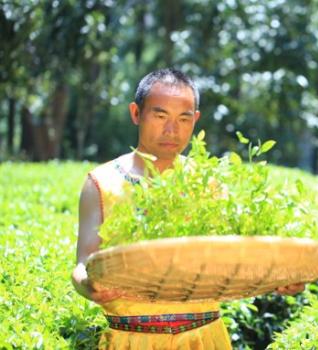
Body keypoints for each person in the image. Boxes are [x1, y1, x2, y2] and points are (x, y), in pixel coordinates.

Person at [71, 68, 304, 349]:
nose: (172, 130)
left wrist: (277, 277)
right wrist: (89, 285)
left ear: (195, 120)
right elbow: (84, 263)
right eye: (160, 116)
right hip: (131, 339)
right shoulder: (101, 183)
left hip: (203, 338)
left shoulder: (211, 183)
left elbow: (236, 260)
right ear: (136, 113)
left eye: (183, 118)